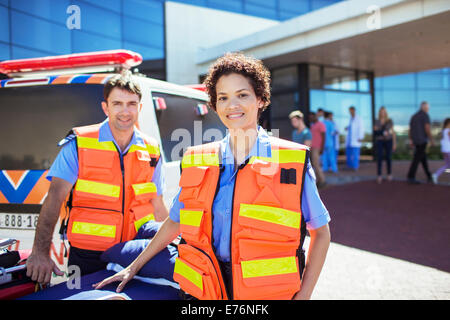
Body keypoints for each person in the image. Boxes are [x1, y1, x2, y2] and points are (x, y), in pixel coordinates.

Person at [94, 52, 331, 300]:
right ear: (215, 105)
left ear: (260, 99)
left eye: (242, 95)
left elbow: (321, 233)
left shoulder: (291, 162)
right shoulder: (198, 160)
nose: (232, 105)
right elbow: (175, 222)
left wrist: (304, 295)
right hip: (203, 292)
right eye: (223, 98)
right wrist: (134, 266)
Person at [26, 74, 169, 284]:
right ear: (105, 108)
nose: (125, 111)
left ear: (140, 108)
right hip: (87, 254)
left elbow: (158, 204)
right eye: (117, 104)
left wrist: (171, 243)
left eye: (131, 104)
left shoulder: (152, 149)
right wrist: (40, 252)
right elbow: (54, 198)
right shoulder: (79, 143)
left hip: (133, 252)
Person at [407, 101, 434, 184]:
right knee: (417, 159)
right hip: (422, 141)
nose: (428, 109)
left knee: (423, 158)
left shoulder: (414, 116)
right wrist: (432, 140)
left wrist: (411, 140)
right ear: (424, 107)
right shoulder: (425, 116)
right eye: (427, 108)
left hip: (416, 141)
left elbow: (410, 130)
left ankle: (429, 176)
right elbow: (427, 128)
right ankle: (411, 177)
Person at [373, 107, 396, 184]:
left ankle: (389, 174)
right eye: (381, 112)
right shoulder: (377, 121)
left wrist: (394, 143)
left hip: (389, 141)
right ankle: (379, 175)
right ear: (379, 112)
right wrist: (382, 133)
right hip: (380, 141)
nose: (383, 113)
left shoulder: (390, 121)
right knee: (379, 158)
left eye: (384, 112)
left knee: (388, 157)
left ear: (386, 112)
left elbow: (393, 133)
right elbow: (375, 132)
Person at [309, 111, 327, 187]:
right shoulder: (312, 126)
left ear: (315, 116)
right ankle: (318, 181)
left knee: (316, 164)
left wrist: (322, 148)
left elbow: (324, 136)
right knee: (314, 164)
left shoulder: (321, 125)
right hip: (312, 147)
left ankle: (323, 180)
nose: (310, 119)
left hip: (317, 147)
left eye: (311, 117)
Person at [345, 106, 364, 171]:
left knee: (355, 155)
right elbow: (351, 127)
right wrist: (347, 128)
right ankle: (350, 166)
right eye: (349, 111)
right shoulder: (351, 118)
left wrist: (360, 137)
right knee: (349, 154)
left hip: (356, 139)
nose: (350, 112)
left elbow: (361, 128)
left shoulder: (359, 118)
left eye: (351, 110)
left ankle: (355, 167)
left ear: (354, 110)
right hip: (350, 140)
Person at [432, 118, 450, 184]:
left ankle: (436, 174)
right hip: (449, 150)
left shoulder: (443, 131)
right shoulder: (448, 130)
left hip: (444, 150)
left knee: (447, 165)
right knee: (448, 166)